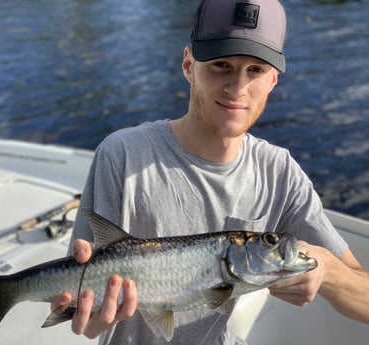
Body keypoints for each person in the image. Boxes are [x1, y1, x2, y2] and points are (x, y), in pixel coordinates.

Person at [51, 0, 369, 344]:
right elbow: (83, 308)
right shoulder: (121, 154)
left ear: (273, 79)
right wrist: (90, 317)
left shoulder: (281, 174)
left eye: (256, 70)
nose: (238, 87)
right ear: (189, 64)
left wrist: (327, 270)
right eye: (221, 64)